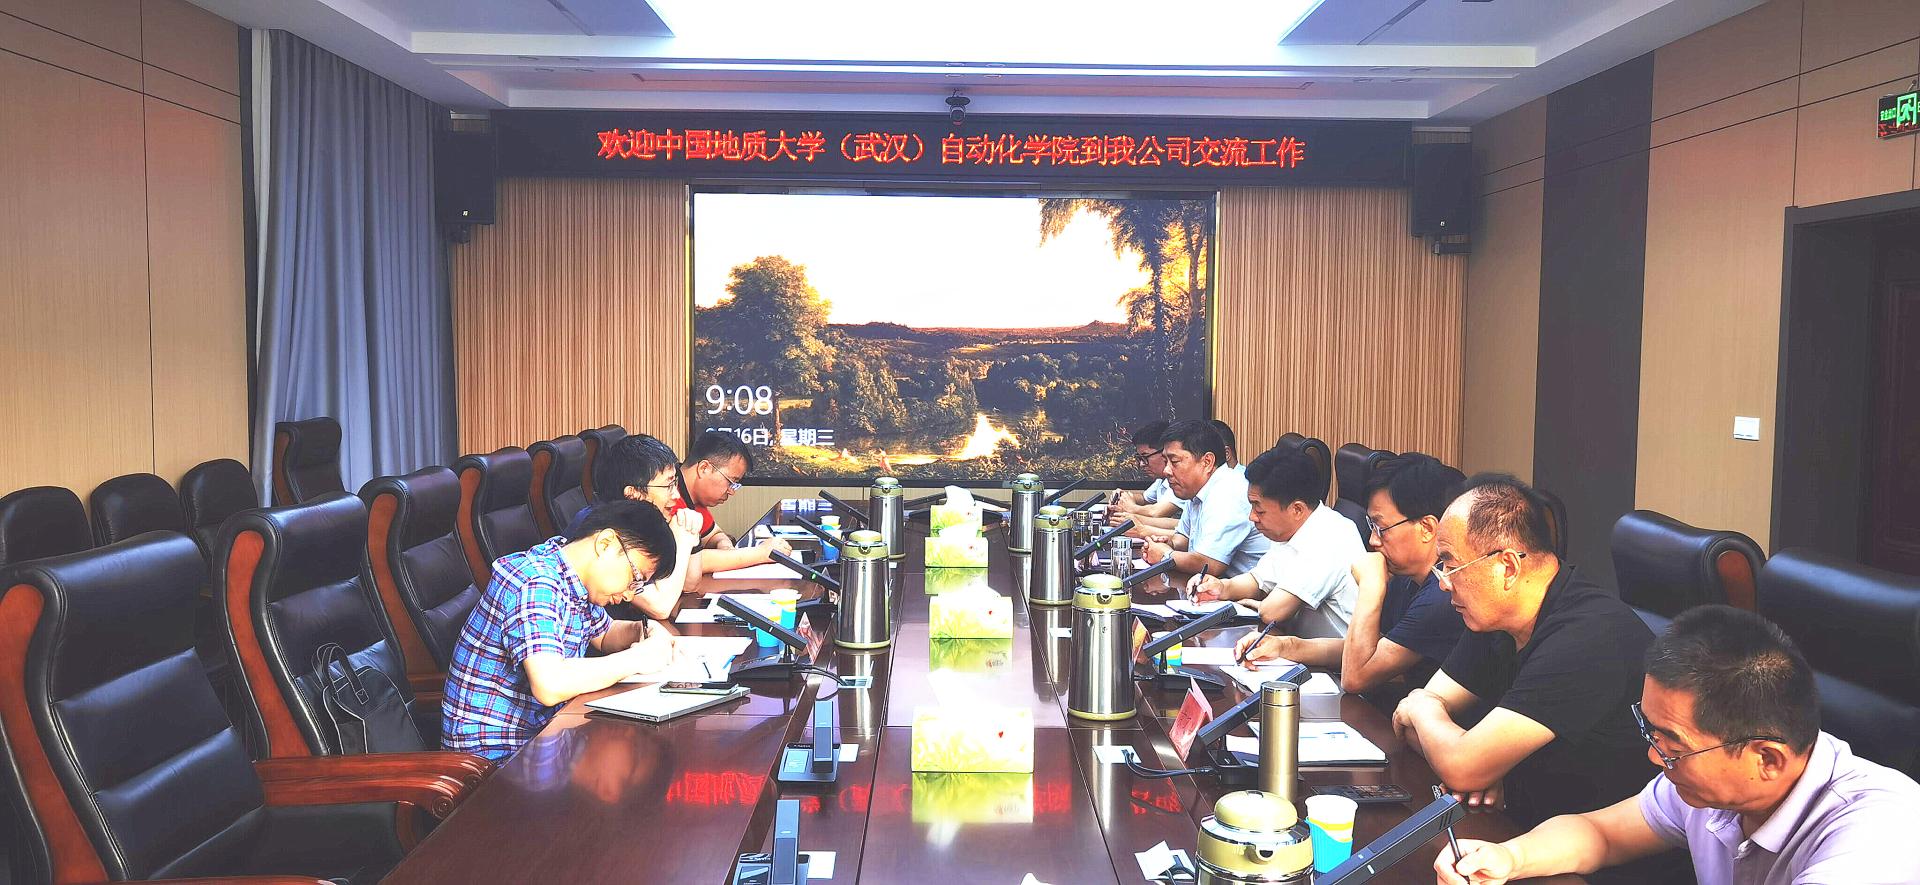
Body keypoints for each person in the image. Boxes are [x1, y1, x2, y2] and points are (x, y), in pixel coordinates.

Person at [1437, 605, 1920, 885]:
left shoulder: (1877, 836)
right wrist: (1508, 858)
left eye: (1672, 744)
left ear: (1767, 759)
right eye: (1650, 730)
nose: (1654, 756)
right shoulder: (1709, 789)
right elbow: (1601, 834)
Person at [1391, 474, 1654, 828]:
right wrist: (1477, 765)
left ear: (1508, 567)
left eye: (1452, 566)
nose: (1443, 583)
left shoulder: (1586, 638)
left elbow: (1456, 759)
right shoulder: (1494, 618)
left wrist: (1424, 709)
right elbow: (1409, 728)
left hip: (1599, 845)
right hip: (1527, 821)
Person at [442, 499, 686, 760]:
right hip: (494, 759)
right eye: (635, 579)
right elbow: (550, 683)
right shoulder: (536, 583)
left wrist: (643, 631)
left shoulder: (571, 574)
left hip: (543, 737)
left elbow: (605, 634)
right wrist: (637, 658)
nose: (629, 595)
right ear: (605, 544)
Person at [1235, 452, 1465, 691]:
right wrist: (1284, 646)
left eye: (1382, 528)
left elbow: (1356, 678)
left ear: (1427, 528)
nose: (1373, 540)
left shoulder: (1441, 596)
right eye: (1371, 526)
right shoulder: (1406, 579)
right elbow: (1369, 650)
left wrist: (1371, 585)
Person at [1194, 445, 1360, 654]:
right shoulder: (1289, 530)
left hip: (1334, 664)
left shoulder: (1330, 536)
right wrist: (1220, 587)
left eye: (1259, 509)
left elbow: (1273, 611)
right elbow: (1258, 580)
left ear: (1297, 509)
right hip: (1294, 646)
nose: (1252, 517)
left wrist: (1261, 605)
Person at [1140, 420, 1272, 578]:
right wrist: (1167, 544)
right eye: (1165, 461)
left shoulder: (1228, 491)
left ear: (1207, 462)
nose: (1167, 470)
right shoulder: (1196, 490)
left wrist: (1165, 555)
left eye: (1174, 462)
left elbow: (1209, 565)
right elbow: (1183, 539)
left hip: (1252, 591)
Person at [1112, 420, 1184, 535]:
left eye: (1145, 457)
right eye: (1139, 458)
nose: (1141, 464)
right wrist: (1124, 497)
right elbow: (1144, 498)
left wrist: (1132, 510)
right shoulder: (1162, 479)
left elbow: (1156, 513)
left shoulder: (1181, 479)